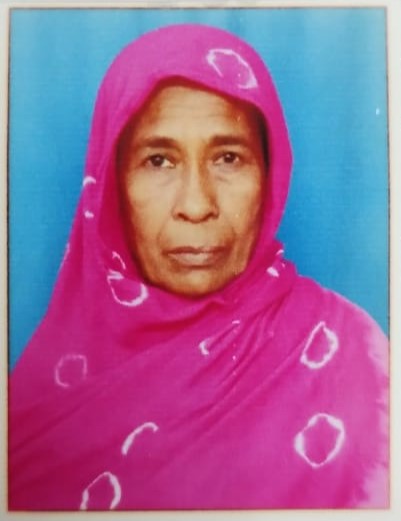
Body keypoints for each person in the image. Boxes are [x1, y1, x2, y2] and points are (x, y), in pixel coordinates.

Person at [8, 23, 388, 510]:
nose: (196, 204)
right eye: (159, 161)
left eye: (228, 158)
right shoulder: (43, 398)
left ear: (270, 176)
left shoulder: (351, 357)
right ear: (111, 186)